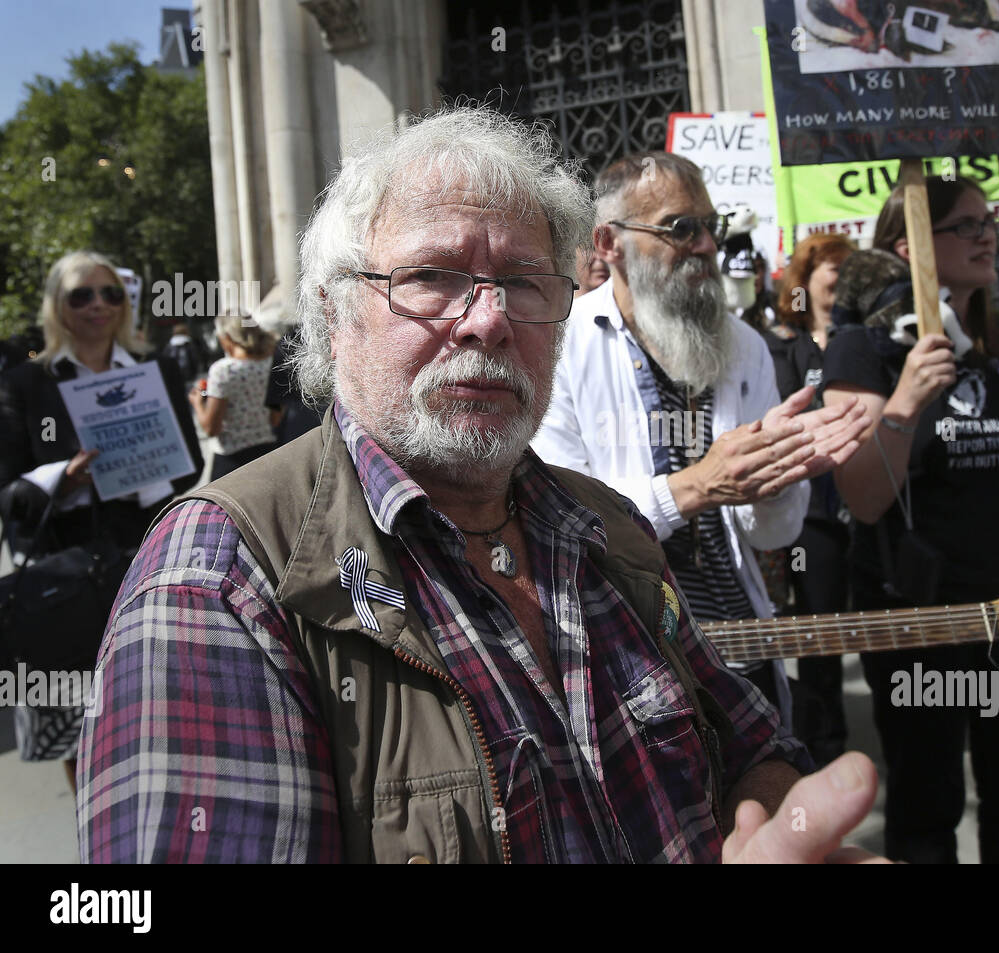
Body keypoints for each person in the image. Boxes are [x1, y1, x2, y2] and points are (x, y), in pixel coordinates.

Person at [77, 107, 885, 864]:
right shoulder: (219, 578)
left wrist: (781, 828)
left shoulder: (609, 530)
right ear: (335, 314)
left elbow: (750, 745)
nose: (489, 319)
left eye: (527, 281)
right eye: (433, 275)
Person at [532, 151, 871, 724]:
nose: (708, 246)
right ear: (609, 243)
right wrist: (699, 485)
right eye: (680, 228)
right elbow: (564, 524)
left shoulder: (745, 346)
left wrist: (777, 478)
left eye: (710, 227)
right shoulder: (560, 347)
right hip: (626, 661)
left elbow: (771, 536)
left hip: (741, 651)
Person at [822, 176, 999, 863]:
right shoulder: (863, 351)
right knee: (925, 807)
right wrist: (905, 400)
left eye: (987, 222)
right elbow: (861, 497)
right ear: (906, 245)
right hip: (919, 617)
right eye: (964, 225)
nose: (986, 235)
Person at [0, 250, 201, 783]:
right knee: (79, 729)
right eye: (81, 294)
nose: (98, 305)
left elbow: (189, 467)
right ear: (57, 305)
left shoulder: (153, 370)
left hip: (146, 562)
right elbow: (8, 492)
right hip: (66, 578)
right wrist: (61, 479)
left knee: (161, 712)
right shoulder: (26, 384)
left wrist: (138, 471)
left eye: (110, 293)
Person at [766, 233, 855, 765]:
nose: (840, 282)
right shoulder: (780, 346)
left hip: (861, 507)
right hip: (810, 512)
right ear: (806, 279)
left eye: (849, 273)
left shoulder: (861, 340)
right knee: (818, 627)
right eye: (832, 270)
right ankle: (823, 737)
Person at [188, 313, 280, 479]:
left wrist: (197, 403)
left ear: (227, 337)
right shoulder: (273, 363)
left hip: (231, 459)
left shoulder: (224, 371)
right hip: (268, 452)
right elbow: (275, 418)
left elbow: (211, 429)